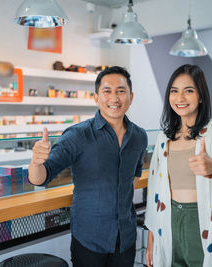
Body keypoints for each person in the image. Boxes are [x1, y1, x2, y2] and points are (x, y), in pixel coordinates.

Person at [29, 66, 148, 267]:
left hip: (126, 238)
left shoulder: (139, 136)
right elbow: (40, 178)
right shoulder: (78, 135)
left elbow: (134, 175)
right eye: (107, 91)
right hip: (89, 239)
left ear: (131, 96)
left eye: (121, 91)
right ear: (96, 97)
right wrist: (35, 162)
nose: (114, 98)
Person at [144, 64, 212, 267]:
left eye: (188, 91)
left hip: (202, 220)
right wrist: (151, 237)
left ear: (201, 96)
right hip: (168, 219)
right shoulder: (163, 138)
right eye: (174, 91)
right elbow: (154, 191)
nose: (180, 98)